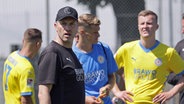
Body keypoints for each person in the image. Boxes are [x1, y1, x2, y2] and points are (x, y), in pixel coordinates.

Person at [112, 10, 184, 104]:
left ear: (156, 27)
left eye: (149, 23)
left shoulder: (168, 52)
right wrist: (117, 92)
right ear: (138, 27)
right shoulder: (126, 49)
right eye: (142, 23)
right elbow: (107, 69)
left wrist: (170, 93)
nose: (145, 26)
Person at [38, 6, 85, 104]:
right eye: (63, 24)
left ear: (77, 27)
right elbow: (43, 93)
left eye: (71, 24)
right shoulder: (52, 53)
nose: (67, 28)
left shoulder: (70, 52)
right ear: (55, 26)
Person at [72, 13, 118, 104]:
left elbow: (111, 76)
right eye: (95, 32)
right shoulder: (71, 56)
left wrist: (108, 87)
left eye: (98, 31)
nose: (98, 35)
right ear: (82, 32)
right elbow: (68, 89)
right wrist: (85, 99)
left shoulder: (104, 49)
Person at [2, 28, 42, 104]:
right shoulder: (27, 68)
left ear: (23, 40)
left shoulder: (11, 57)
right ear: (38, 44)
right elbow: (25, 99)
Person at [167, 13, 184, 104]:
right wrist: (182, 77)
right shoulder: (180, 46)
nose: (182, 31)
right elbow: (169, 76)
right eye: (182, 27)